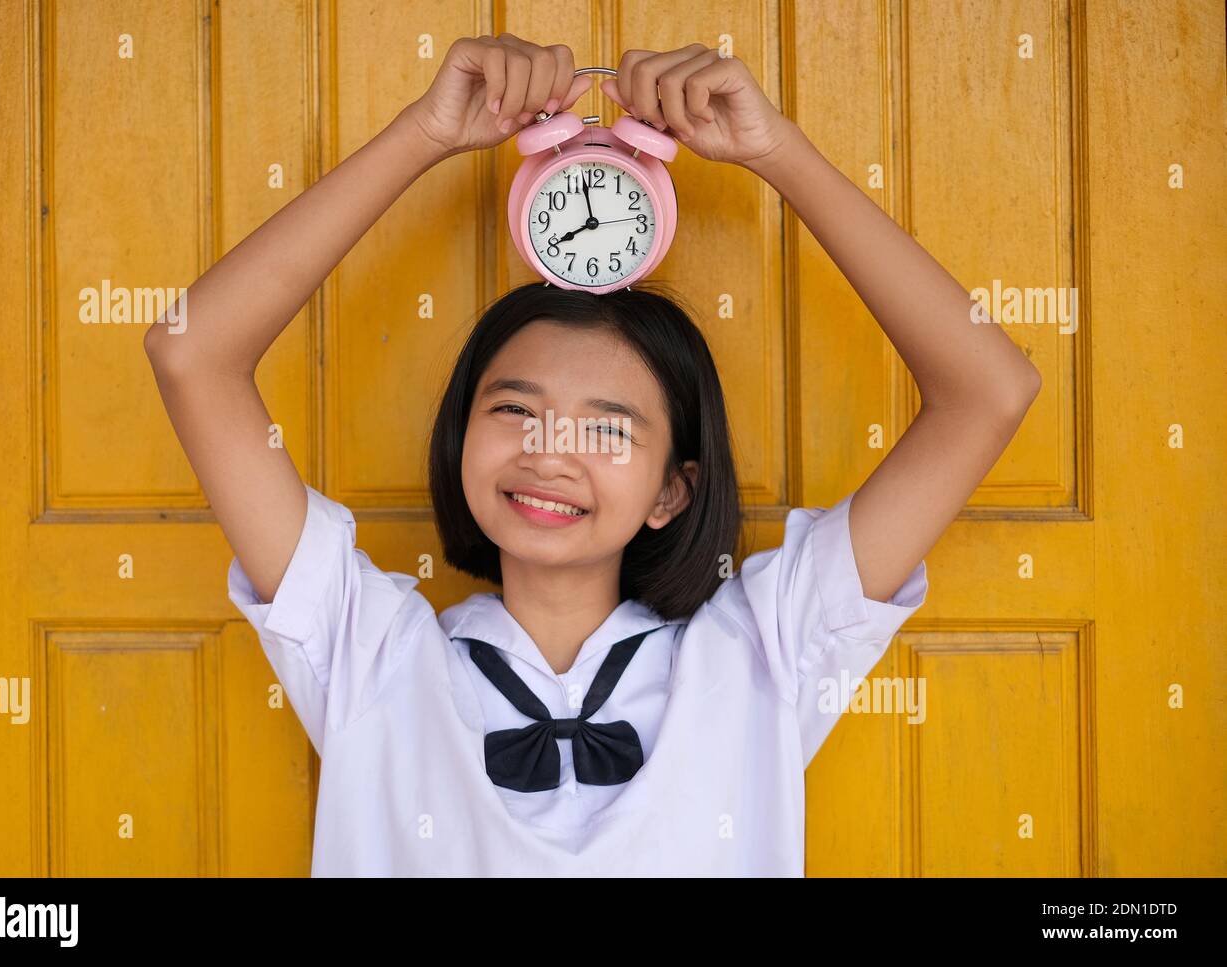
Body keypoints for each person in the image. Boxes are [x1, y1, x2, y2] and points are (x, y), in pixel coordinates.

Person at [144, 34, 1040, 875]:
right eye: (513, 408)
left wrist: (778, 152)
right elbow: (193, 353)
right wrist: (425, 134)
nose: (551, 449)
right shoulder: (369, 654)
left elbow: (989, 392)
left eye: (609, 427)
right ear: (461, 439)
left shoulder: (760, 655)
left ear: (673, 491)